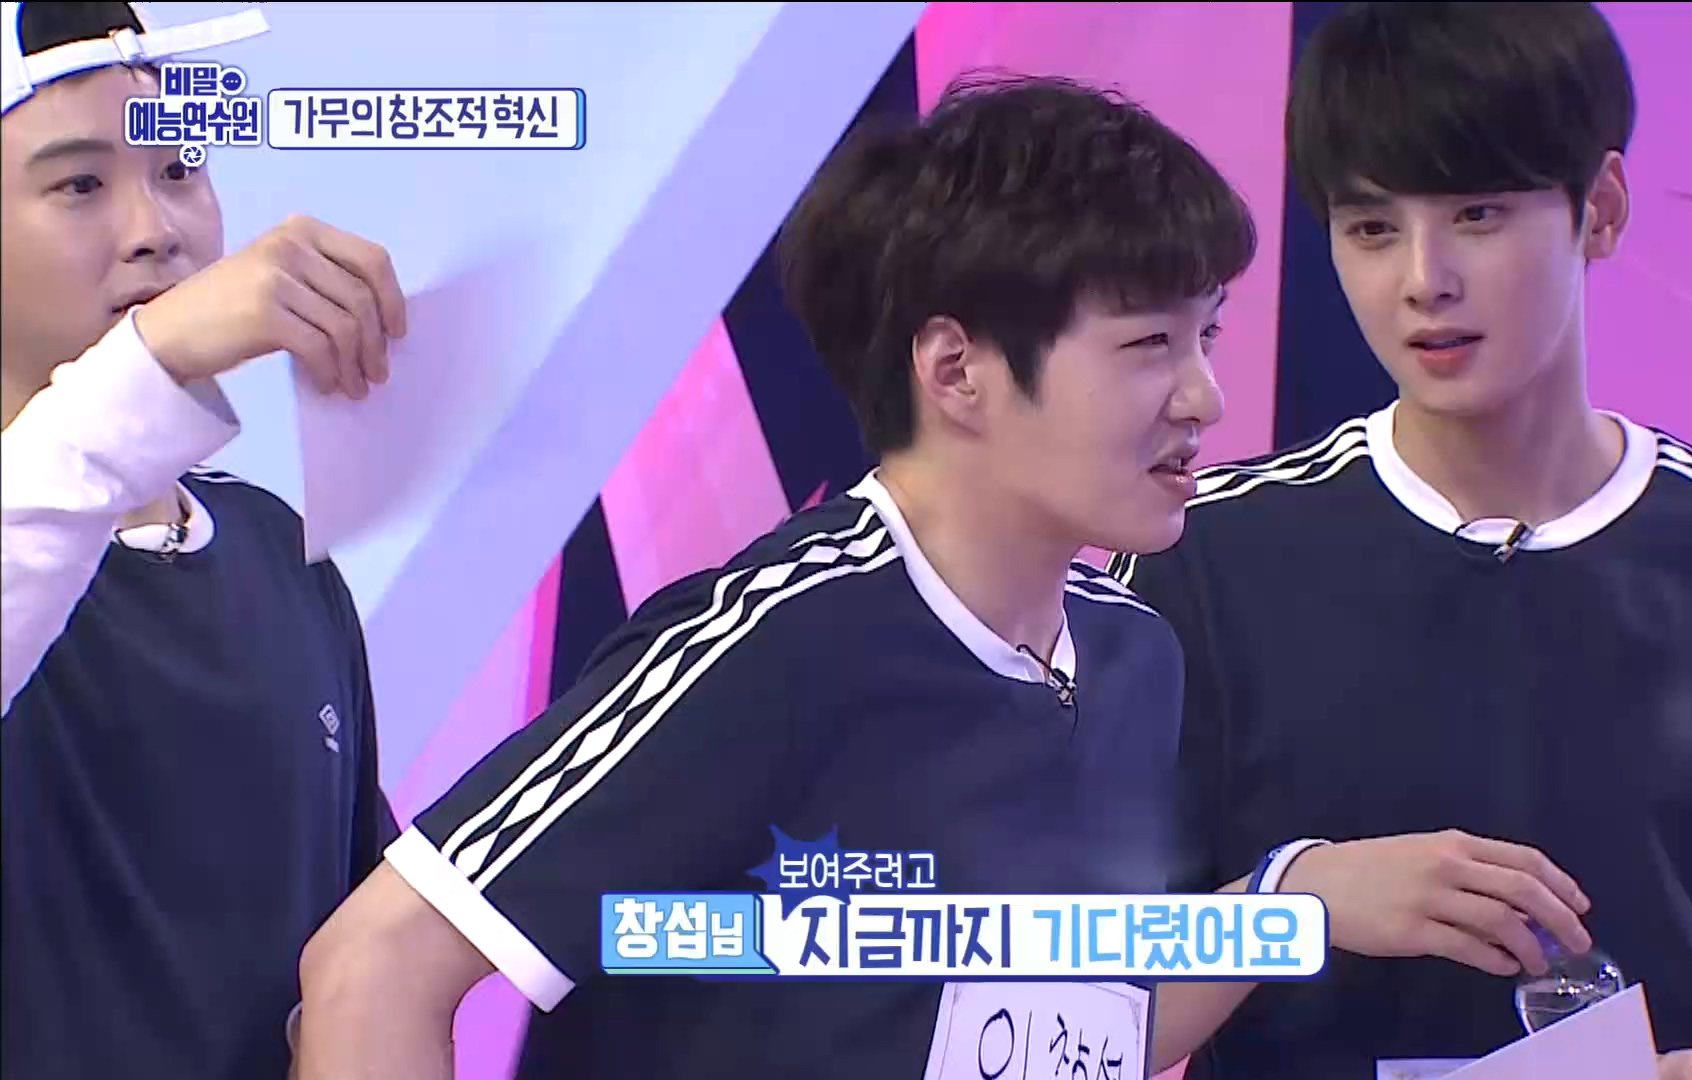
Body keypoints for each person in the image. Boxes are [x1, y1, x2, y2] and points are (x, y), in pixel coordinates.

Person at [292, 72, 1255, 1079]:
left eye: (1208, 334)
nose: (1204, 397)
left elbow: (1071, 1033)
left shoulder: (1134, 654)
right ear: (955, 370)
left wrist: (1286, 906)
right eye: (1149, 344)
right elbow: (376, 964)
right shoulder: (781, 643)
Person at [1114, 4, 1692, 1078]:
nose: (1423, 279)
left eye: (1478, 214)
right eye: (1372, 228)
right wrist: (1292, 902)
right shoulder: (1203, 557)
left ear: (1601, 209)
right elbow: (1072, 1002)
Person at [0, 3, 409, 1077]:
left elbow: (361, 963)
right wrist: (155, 353)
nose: (154, 229)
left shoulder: (279, 550)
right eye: (79, 185)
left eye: (180, 168)